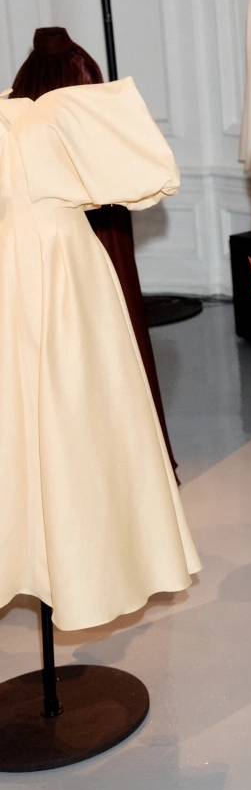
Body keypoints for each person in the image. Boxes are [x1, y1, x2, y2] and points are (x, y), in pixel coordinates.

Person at [10, 27, 179, 477]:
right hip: (82, 238)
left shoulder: (22, 87)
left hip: (27, 248)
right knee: (100, 349)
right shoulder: (82, 73)